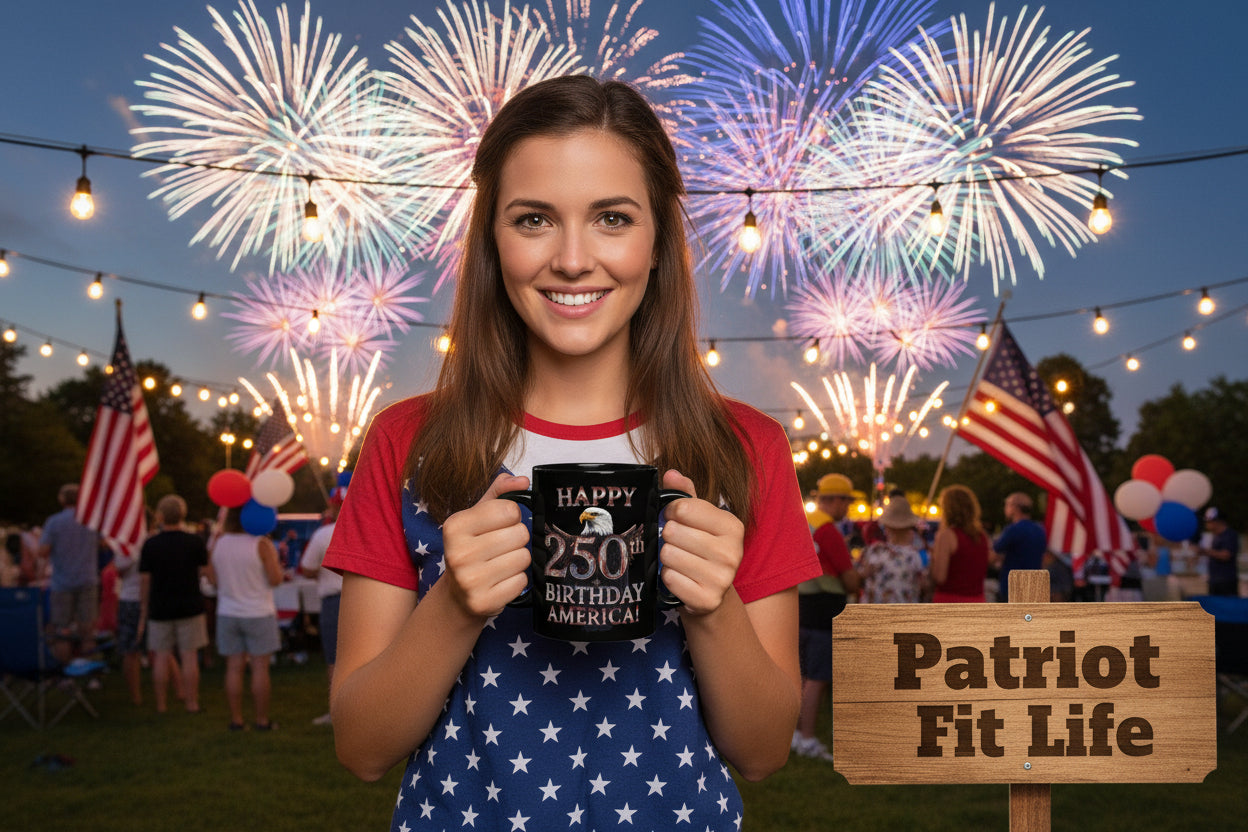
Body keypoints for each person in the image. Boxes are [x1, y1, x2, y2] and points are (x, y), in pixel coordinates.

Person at [323, 75, 820, 830]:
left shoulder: (746, 449)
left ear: (658, 243)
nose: (573, 259)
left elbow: (763, 752)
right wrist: (453, 605)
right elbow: (359, 748)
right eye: (534, 220)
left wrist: (713, 610)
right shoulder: (407, 442)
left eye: (613, 218)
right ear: (493, 240)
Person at [793, 472, 859, 761]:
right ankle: (807, 738)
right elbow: (850, 579)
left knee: (803, 675)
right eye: (847, 500)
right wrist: (862, 574)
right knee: (817, 678)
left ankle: (795, 733)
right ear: (834, 499)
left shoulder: (804, 523)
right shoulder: (829, 530)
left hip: (803, 607)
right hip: (826, 611)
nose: (848, 507)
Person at [208, 507, 283, 731]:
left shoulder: (218, 543)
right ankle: (261, 720)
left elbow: (212, 579)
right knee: (260, 668)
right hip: (258, 612)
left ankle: (237, 720)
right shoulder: (261, 544)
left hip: (228, 612)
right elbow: (276, 579)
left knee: (233, 668)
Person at [140, 494, 210, 714]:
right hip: (190, 604)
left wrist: (144, 606)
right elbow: (205, 572)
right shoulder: (194, 541)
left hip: (160, 606)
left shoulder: (151, 544)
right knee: (189, 656)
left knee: (161, 656)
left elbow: (145, 579)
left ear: (160, 516)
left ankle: (161, 706)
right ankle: (192, 703)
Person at [38, 483, 101, 663]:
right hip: (88, 579)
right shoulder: (91, 521)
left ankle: (64, 672)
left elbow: (42, 551)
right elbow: (104, 543)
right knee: (87, 629)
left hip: (62, 582)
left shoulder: (54, 522)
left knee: (61, 629)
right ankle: (90, 671)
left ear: (62, 500)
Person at [299, 503, 341, 726]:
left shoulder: (323, 534)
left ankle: (337, 713)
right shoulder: (371, 526)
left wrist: (326, 568)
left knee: (335, 658)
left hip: (334, 600)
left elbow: (306, 568)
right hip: (369, 596)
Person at [857, 497, 927, 604]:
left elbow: (861, 576)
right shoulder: (915, 555)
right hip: (904, 613)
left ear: (887, 527)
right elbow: (922, 585)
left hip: (874, 612)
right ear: (909, 528)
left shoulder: (875, 550)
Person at [930, 485, 991, 603]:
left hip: (950, 601)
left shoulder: (946, 536)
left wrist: (933, 560)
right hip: (977, 601)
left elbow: (940, 577)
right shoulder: (982, 536)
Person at [992, 492, 1048, 602]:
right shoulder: (1040, 530)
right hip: (1035, 584)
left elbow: (994, 553)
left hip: (1013, 585)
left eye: (1007, 504)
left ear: (1015, 507)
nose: (1005, 508)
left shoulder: (1013, 530)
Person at [1198, 507, 1240, 596]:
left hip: (1226, 582)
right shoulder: (1216, 536)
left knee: (1228, 606)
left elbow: (1226, 555)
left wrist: (1205, 551)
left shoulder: (1230, 535)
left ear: (1218, 521)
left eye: (1209, 521)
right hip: (1215, 580)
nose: (1207, 524)